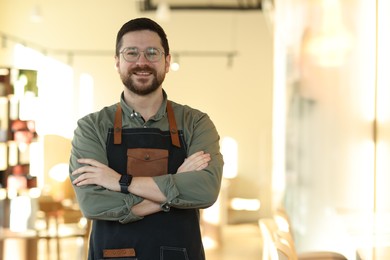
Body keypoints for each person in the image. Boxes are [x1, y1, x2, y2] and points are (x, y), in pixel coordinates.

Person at [69, 17, 224, 260]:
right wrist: (174, 189)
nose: (142, 62)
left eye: (152, 53)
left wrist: (120, 181)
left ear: (167, 61)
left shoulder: (196, 123)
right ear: (118, 62)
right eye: (131, 53)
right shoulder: (91, 127)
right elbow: (92, 204)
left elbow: (205, 192)